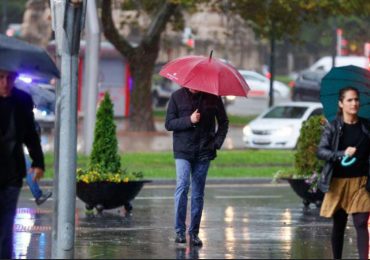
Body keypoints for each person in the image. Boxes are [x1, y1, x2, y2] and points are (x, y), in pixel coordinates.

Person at [165, 87, 229, 246]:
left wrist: (216, 143)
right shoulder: (176, 97)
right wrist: (189, 120)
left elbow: (224, 122)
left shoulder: (213, 97)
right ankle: (179, 231)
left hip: (204, 151)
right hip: (183, 150)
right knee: (182, 185)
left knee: (198, 193)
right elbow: (169, 123)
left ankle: (194, 233)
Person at [317, 86, 370, 259]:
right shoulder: (333, 126)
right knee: (339, 224)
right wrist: (342, 153)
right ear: (341, 103)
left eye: (356, 99)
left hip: (361, 182)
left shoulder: (366, 126)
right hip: (338, 182)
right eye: (349, 100)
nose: (354, 103)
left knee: (361, 222)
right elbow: (321, 151)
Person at [0, 69, 45, 259]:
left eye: (9, 78)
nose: (5, 83)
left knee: (5, 227)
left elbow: (30, 135)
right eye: (0, 78)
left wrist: (38, 162)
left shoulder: (22, 100)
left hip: (11, 172)